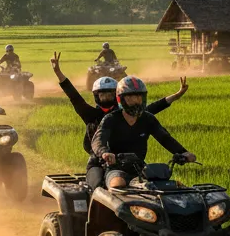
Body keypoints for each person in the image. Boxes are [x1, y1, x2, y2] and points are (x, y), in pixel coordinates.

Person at [52, 52, 188, 191]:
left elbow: (153, 110)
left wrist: (176, 96)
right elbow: (75, 97)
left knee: (152, 185)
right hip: (100, 161)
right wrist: (58, 73)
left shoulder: (130, 112)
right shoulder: (95, 115)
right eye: (102, 94)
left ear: (116, 95)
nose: (106, 97)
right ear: (96, 96)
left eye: (110, 94)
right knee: (97, 187)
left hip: (132, 162)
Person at [92, 76, 195, 189]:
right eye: (130, 98)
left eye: (139, 98)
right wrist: (105, 153)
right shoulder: (111, 119)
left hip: (140, 167)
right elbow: (98, 140)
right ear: (120, 99)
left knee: (165, 186)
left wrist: (183, 152)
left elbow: (165, 138)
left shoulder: (148, 118)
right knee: (118, 184)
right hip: (115, 168)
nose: (136, 102)